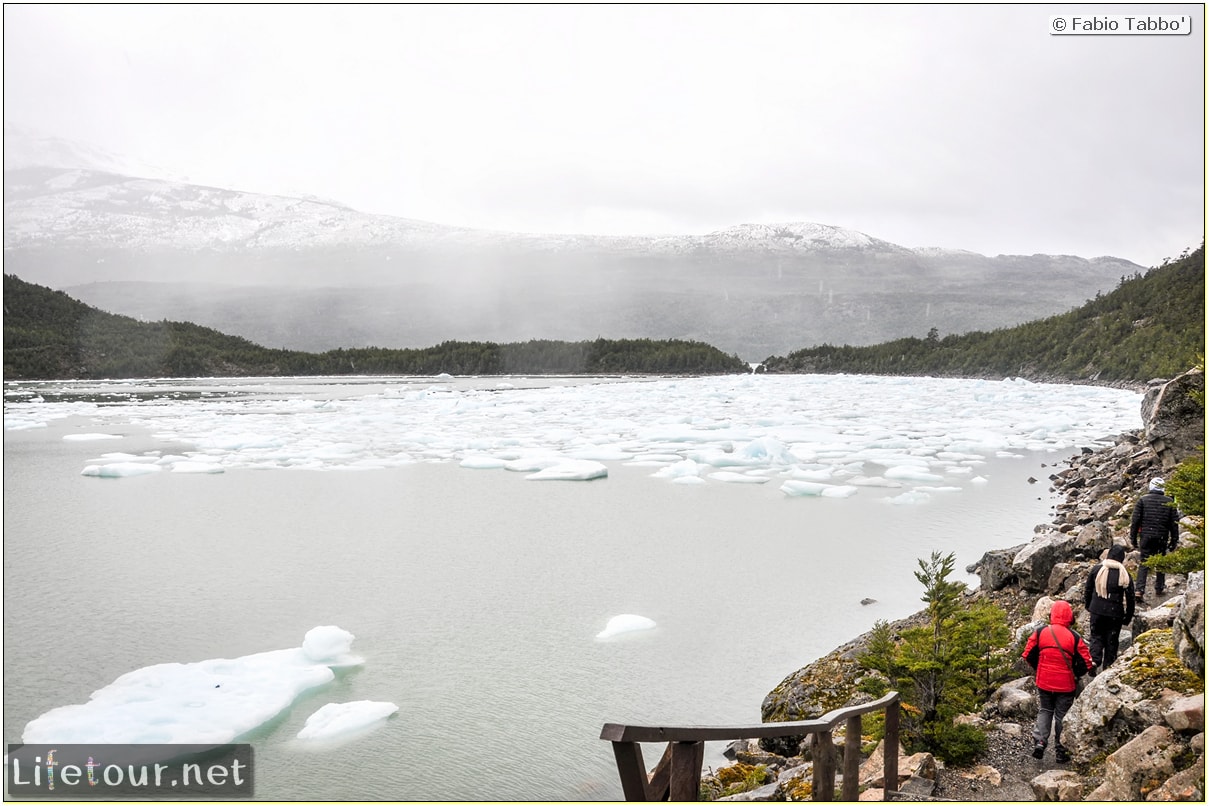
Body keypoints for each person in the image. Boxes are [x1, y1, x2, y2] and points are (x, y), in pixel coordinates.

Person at [1022, 600, 1094, 763]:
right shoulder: (1074, 637)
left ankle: (1040, 741)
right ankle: (1061, 752)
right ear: (1070, 617)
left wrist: (1039, 668)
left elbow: (1028, 655)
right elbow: (1086, 663)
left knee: (1045, 710)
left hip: (1044, 681)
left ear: (1052, 615)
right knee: (1062, 716)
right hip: (1065, 684)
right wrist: (1075, 673)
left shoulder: (1040, 632)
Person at [1083, 544, 1135, 669]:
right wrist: (1128, 617)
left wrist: (1088, 605)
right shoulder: (1124, 574)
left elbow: (1088, 589)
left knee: (1096, 636)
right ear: (1121, 558)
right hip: (1115, 614)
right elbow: (1130, 598)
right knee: (1112, 640)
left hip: (1097, 610)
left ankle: (1094, 661)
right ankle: (1108, 666)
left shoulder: (1097, 569)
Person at [1130, 477, 1181, 602]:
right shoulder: (1169, 501)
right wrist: (1174, 541)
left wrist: (1133, 539)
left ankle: (1139, 590)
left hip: (1146, 536)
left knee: (1144, 562)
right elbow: (1174, 524)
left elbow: (1135, 521)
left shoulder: (1142, 500)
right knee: (1160, 561)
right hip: (1162, 536)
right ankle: (1159, 587)